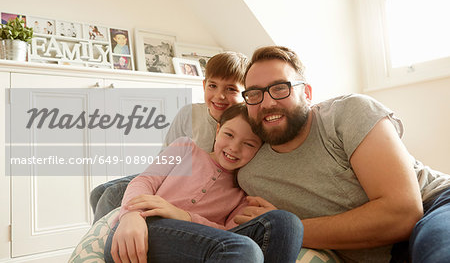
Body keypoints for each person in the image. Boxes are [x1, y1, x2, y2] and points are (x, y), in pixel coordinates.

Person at [234, 46, 450, 262]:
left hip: (433, 205)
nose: (268, 103)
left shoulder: (348, 113)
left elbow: (403, 214)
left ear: (307, 93)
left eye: (281, 88)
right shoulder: (251, 174)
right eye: (254, 94)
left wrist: (287, 228)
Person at [104, 103, 303, 263]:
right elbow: (144, 180)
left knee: (286, 223)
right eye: (229, 135)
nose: (234, 148)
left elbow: (227, 234)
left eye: (249, 144)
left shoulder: (243, 192)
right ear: (218, 130)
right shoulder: (184, 148)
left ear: (259, 150)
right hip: (139, 231)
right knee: (245, 250)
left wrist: (184, 216)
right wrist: (131, 215)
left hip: (195, 249)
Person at [90, 52, 249, 222]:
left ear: (246, 94)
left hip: (199, 189)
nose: (219, 96)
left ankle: (112, 239)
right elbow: (165, 156)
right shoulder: (189, 113)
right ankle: (106, 238)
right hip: (171, 176)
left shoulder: (245, 126)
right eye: (212, 86)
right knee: (98, 192)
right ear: (204, 85)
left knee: (111, 195)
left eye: (231, 89)